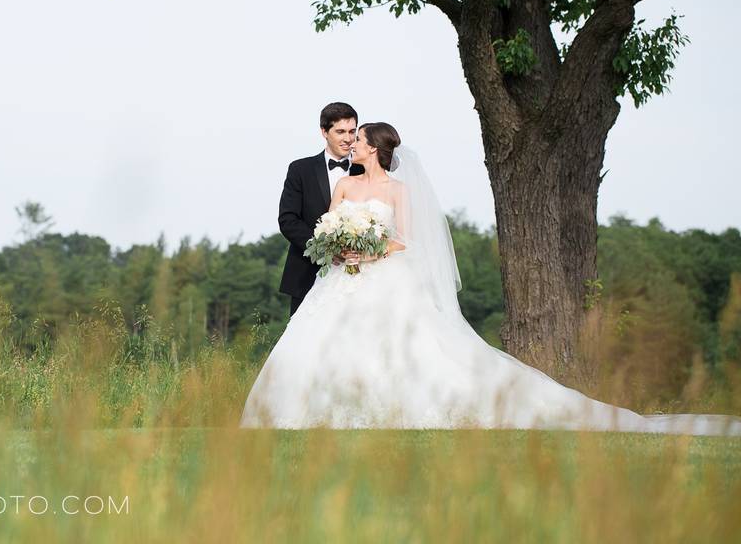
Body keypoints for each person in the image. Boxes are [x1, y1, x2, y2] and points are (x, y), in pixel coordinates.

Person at [241, 122, 741, 435]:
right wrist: (340, 243)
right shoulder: (346, 184)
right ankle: (314, 412)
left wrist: (370, 250)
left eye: (359, 138)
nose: (353, 143)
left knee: (399, 346)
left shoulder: (397, 190)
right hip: (339, 275)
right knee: (324, 341)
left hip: (383, 275)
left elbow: (404, 240)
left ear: (373, 147)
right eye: (347, 136)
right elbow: (327, 222)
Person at [278, 102, 364, 317]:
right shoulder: (300, 169)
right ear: (324, 132)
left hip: (359, 275)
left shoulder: (367, 169)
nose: (348, 138)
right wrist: (324, 249)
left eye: (352, 131)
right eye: (340, 131)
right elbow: (288, 219)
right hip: (307, 272)